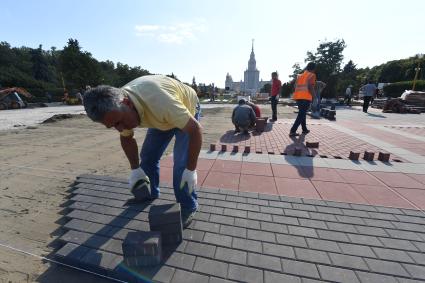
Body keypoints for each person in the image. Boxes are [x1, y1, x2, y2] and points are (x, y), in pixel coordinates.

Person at [83, 75, 202, 228]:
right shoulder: (119, 109)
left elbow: (195, 130)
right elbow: (127, 138)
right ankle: (150, 193)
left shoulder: (161, 102)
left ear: (126, 103)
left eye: (119, 122)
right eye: (113, 126)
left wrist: (191, 169)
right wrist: (135, 169)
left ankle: (188, 206)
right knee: (148, 157)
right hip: (161, 115)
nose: (120, 128)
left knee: (181, 165)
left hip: (185, 106)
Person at [289, 62, 316, 137]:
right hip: (306, 98)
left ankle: (304, 129)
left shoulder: (299, 76)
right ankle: (292, 130)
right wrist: (314, 97)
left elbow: (293, 84)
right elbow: (310, 87)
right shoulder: (312, 75)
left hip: (298, 97)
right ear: (313, 69)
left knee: (302, 113)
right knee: (301, 114)